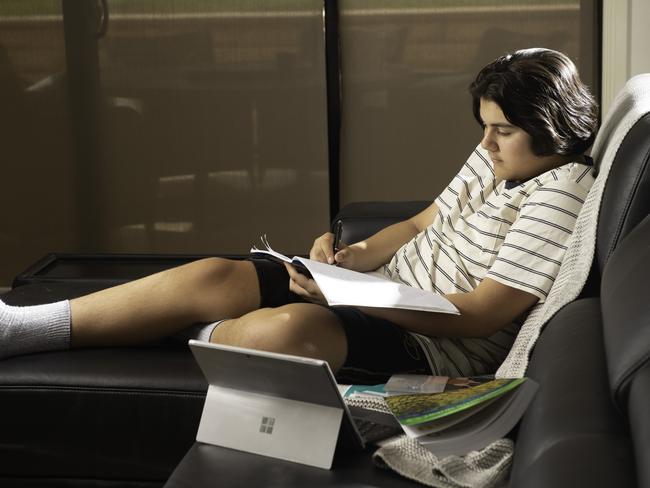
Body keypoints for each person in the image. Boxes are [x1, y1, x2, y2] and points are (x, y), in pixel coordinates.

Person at [0, 48, 598, 383]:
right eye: (485, 129)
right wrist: (357, 259)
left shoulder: (559, 192)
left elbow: (477, 317)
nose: (487, 145)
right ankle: (27, 326)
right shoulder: (502, 157)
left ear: (553, 128)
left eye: (504, 132)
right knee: (216, 273)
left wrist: (344, 299)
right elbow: (421, 222)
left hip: (427, 341)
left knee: (290, 333)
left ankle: (190, 329)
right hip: (380, 290)